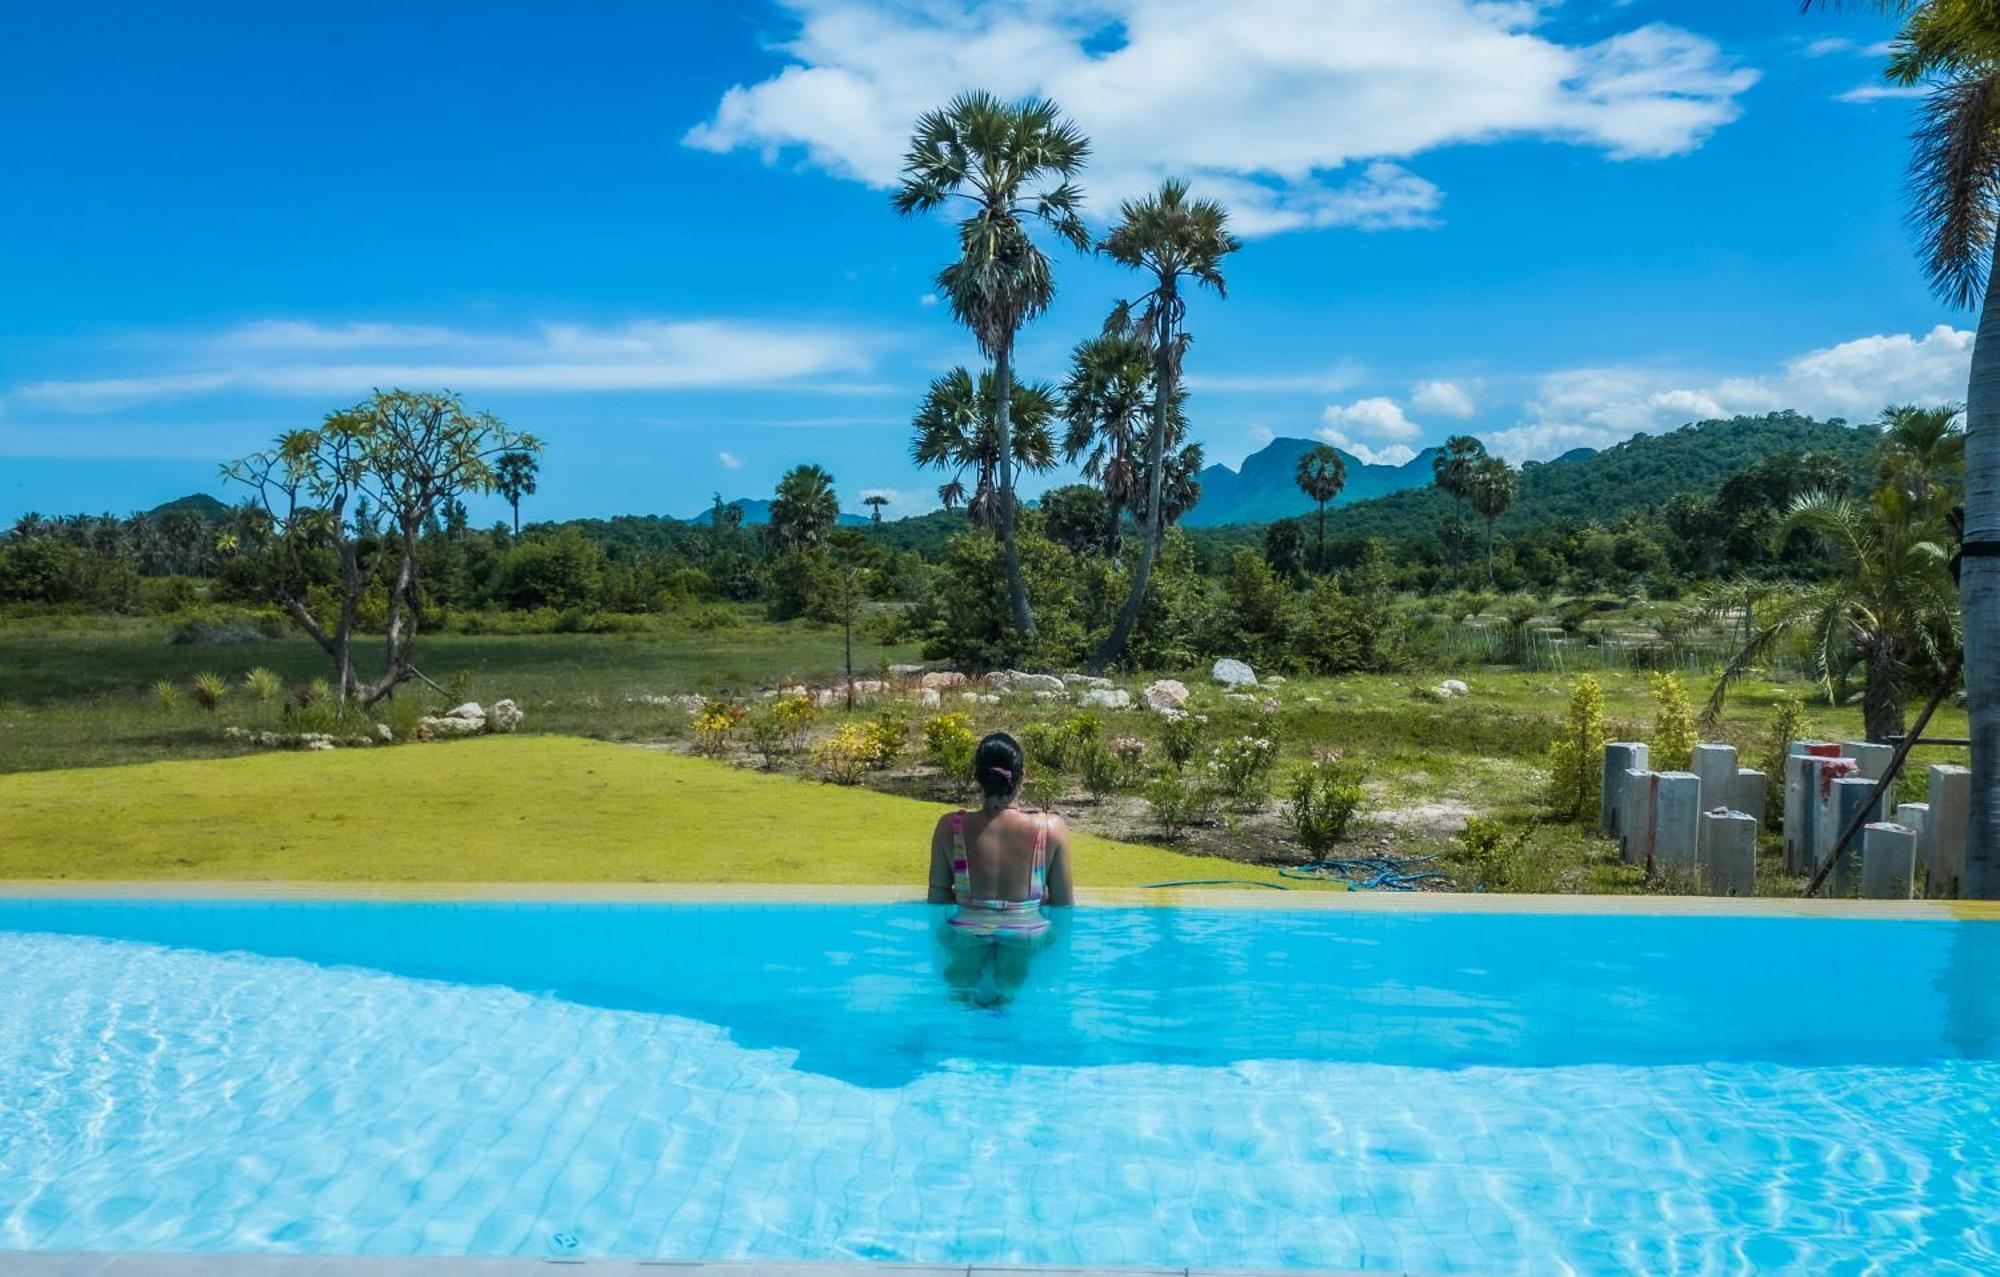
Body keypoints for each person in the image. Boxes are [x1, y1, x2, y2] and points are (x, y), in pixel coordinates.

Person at [927, 731, 1073, 1005]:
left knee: (958, 987)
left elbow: (937, 897)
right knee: (1012, 981)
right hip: (1026, 930)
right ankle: (1006, 997)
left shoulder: (951, 827)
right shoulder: (1051, 829)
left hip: (967, 928)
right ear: (1022, 775)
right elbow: (1064, 907)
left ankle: (963, 999)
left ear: (978, 777)